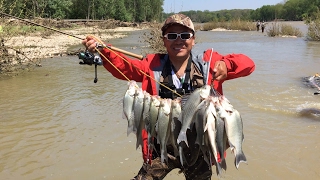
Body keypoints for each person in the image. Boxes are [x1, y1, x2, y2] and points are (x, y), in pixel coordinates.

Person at [82, 13, 255, 180]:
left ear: (193, 40)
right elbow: (125, 67)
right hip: (162, 145)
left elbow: (249, 64)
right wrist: (103, 50)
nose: (178, 40)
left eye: (185, 35)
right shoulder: (152, 64)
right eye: (171, 35)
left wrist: (227, 64)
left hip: (199, 147)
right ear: (164, 40)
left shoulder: (209, 63)